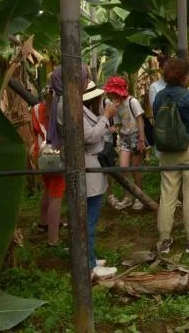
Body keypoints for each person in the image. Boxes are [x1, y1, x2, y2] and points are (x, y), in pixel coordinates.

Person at [53, 66, 119, 279]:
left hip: (90, 163)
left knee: (87, 216)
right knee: (87, 218)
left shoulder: (69, 102)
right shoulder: (69, 104)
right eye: (84, 77)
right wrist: (106, 117)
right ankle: (89, 266)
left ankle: (88, 256)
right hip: (86, 165)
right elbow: (89, 136)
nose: (87, 81)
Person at [153, 58, 189, 255]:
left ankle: (164, 241)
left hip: (167, 151)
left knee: (167, 196)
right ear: (184, 76)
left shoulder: (159, 97)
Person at [104, 76, 147, 211]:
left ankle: (139, 197)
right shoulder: (115, 105)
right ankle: (127, 197)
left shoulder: (132, 102)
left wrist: (141, 139)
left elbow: (140, 120)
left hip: (136, 136)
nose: (110, 94)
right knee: (123, 168)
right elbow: (117, 123)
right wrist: (113, 131)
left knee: (135, 169)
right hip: (125, 138)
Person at [31, 80, 66, 247]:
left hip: (42, 155)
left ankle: (43, 223)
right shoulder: (60, 111)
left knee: (48, 188)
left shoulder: (36, 110)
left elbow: (35, 133)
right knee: (56, 195)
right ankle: (53, 239)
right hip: (56, 156)